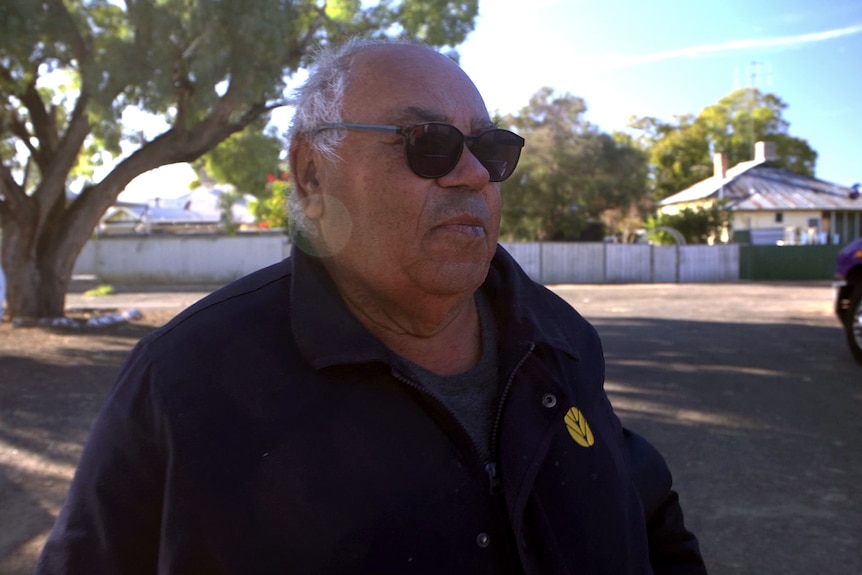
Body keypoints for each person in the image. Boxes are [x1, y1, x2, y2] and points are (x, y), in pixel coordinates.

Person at [37, 38, 707, 574]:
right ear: (311, 174)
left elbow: (645, 509)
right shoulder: (185, 379)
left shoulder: (559, 338)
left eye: (490, 149)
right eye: (427, 142)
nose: (472, 173)